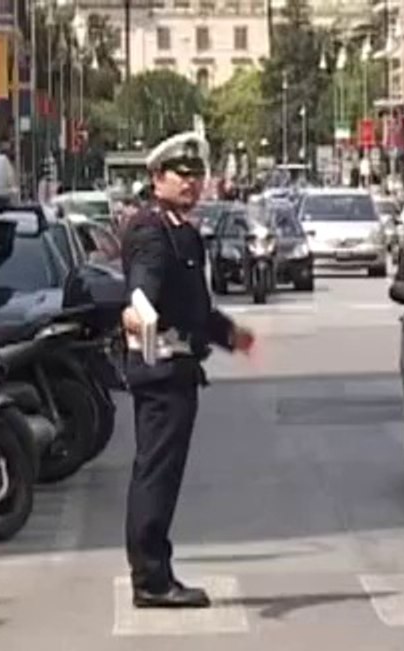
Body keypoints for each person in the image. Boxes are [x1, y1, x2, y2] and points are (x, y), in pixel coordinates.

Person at [119, 131, 256, 609]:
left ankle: (155, 570)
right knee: (156, 475)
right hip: (162, 370)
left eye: (198, 175)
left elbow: (195, 309)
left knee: (163, 474)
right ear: (157, 179)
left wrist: (231, 336)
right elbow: (143, 288)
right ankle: (151, 579)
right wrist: (140, 313)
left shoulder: (184, 230)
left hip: (178, 368)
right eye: (182, 174)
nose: (193, 183)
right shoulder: (150, 230)